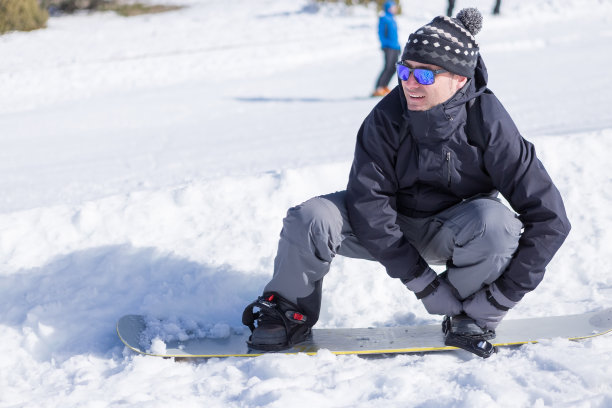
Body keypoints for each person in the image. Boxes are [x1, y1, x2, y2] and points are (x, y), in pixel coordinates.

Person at [243, 8, 570, 353]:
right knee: (310, 218)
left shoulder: (490, 123)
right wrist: (425, 284)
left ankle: (467, 313)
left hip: (456, 230)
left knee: (497, 224)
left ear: (459, 79)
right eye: (404, 71)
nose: (410, 84)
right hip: (386, 226)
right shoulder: (386, 118)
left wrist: (501, 297)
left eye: (425, 76)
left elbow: (551, 219)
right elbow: (369, 204)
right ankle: (287, 312)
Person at [372, 1, 401, 97]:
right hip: (388, 47)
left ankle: (384, 86)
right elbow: (381, 34)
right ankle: (378, 88)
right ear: (389, 8)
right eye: (394, 6)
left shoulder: (392, 18)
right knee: (387, 67)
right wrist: (385, 45)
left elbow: (395, 35)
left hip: (395, 47)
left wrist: (398, 46)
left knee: (393, 68)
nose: (395, 8)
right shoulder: (384, 18)